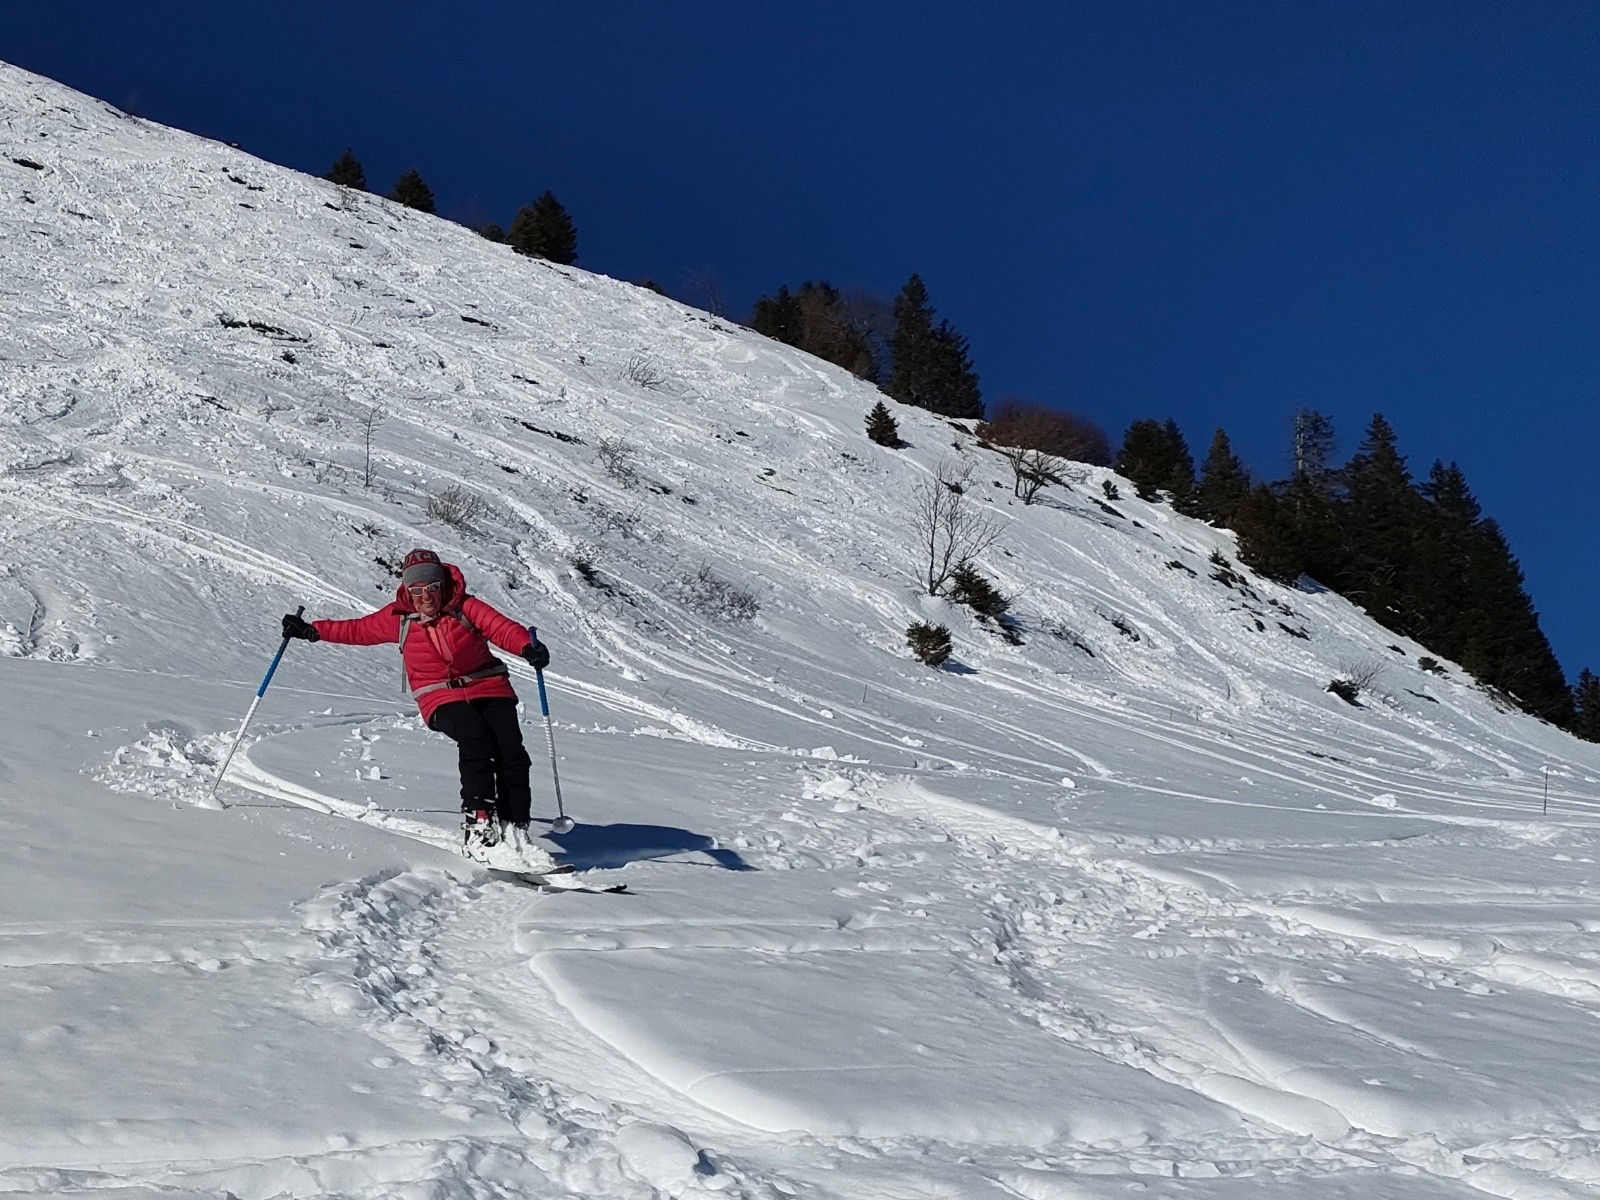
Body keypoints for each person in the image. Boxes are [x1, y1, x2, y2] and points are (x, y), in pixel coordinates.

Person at [280, 549, 552, 857]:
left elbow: (501, 628)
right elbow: (357, 629)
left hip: (488, 684)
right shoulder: (398, 618)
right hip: (437, 694)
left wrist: (527, 648)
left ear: (443, 585)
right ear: (408, 591)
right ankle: (479, 828)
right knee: (475, 737)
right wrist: (312, 631)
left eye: (433, 588)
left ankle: (515, 830)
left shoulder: (466, 606)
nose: (426, 596)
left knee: (511, 752)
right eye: (417, 590)